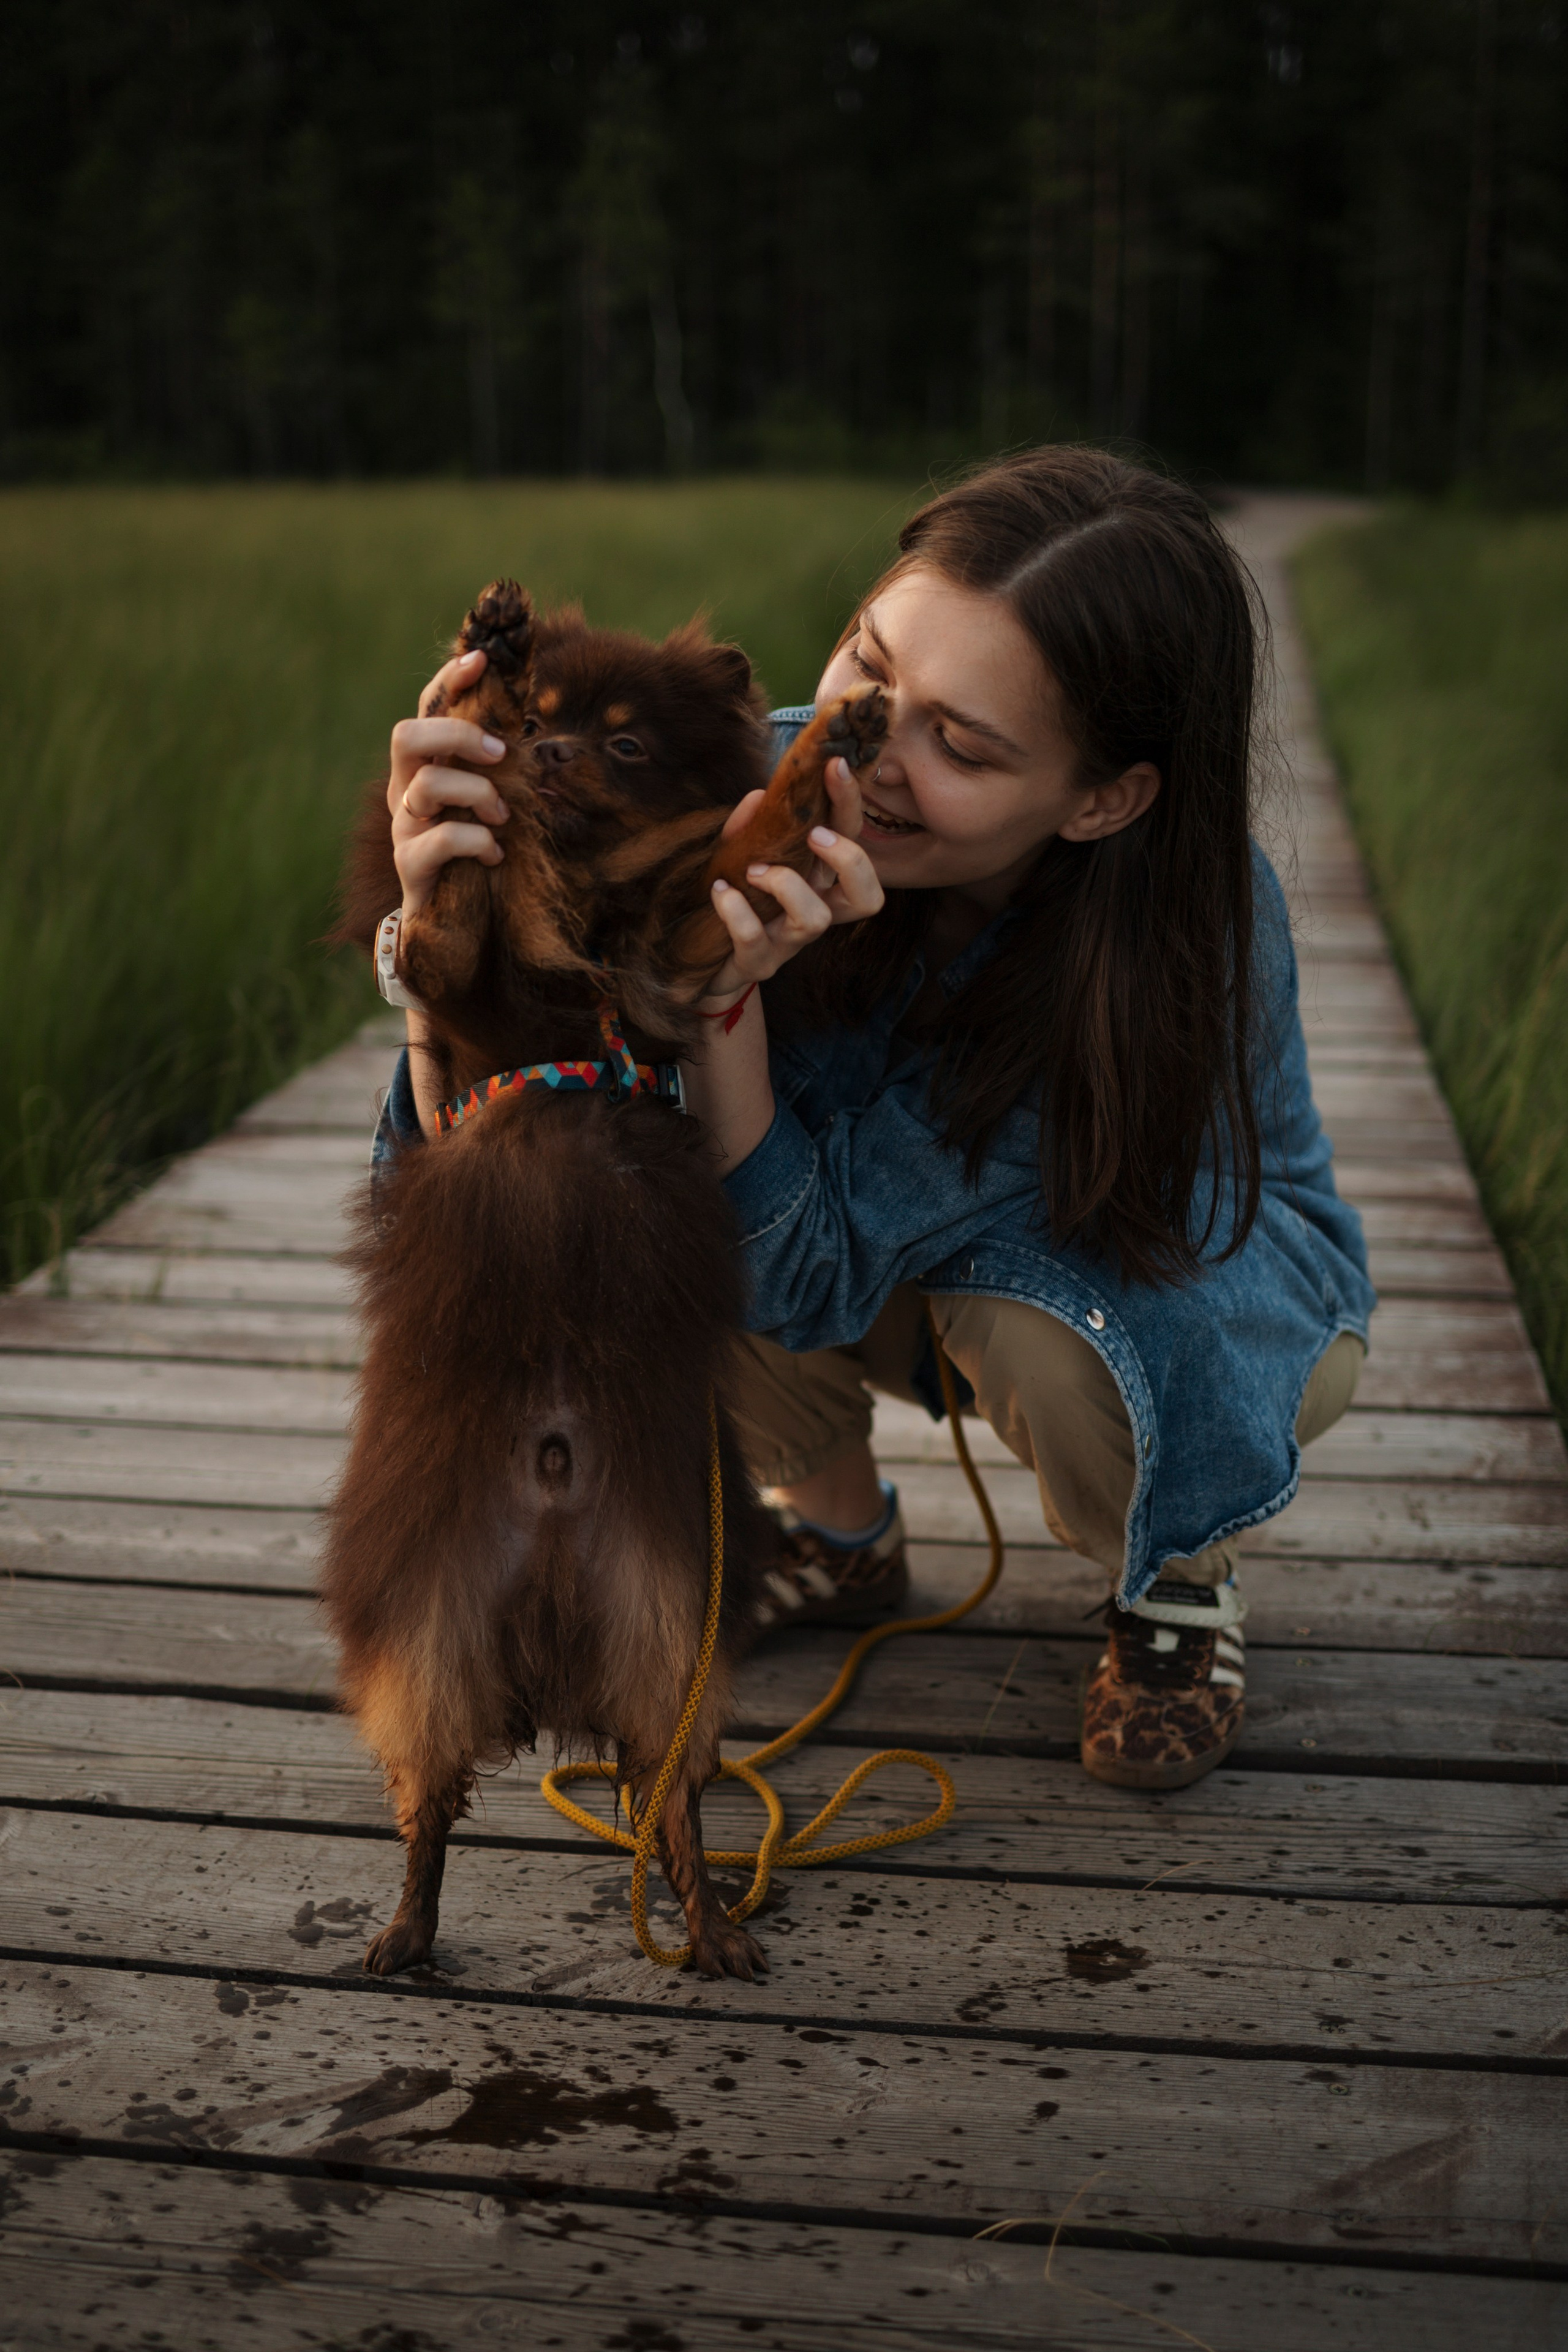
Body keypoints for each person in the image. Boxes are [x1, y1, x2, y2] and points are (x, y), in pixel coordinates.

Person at [375, 447, 1374, 1792]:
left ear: (1103, 797)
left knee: (1038, 1322)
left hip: (1164, 1280)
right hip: (871, 1243)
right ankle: (841, 1535)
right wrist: (438, 928)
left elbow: (805, 1267)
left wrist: (719, 1016)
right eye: (866, 671)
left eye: (959, 744)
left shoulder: (1182, 942)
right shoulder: (733, 783)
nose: (872, 757)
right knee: (627, 1209)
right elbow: (465, 1166)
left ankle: (1175, 1572)